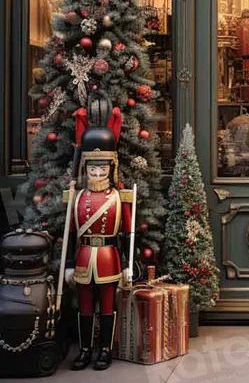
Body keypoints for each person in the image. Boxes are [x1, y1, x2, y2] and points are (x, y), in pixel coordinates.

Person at [63, 95, 133, 371]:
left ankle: (104, 349)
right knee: (84, 306)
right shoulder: (77, 197)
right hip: (83, 257)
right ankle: (84, 349)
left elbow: (126, 232)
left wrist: (128, 264)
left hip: (107, 256)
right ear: (86, 168)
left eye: (102, 167)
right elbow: (70, 233)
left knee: (106, 306)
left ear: (110, 168)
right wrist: (68, 264)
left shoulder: (117, 196)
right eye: (93, 167)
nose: (97, 172)